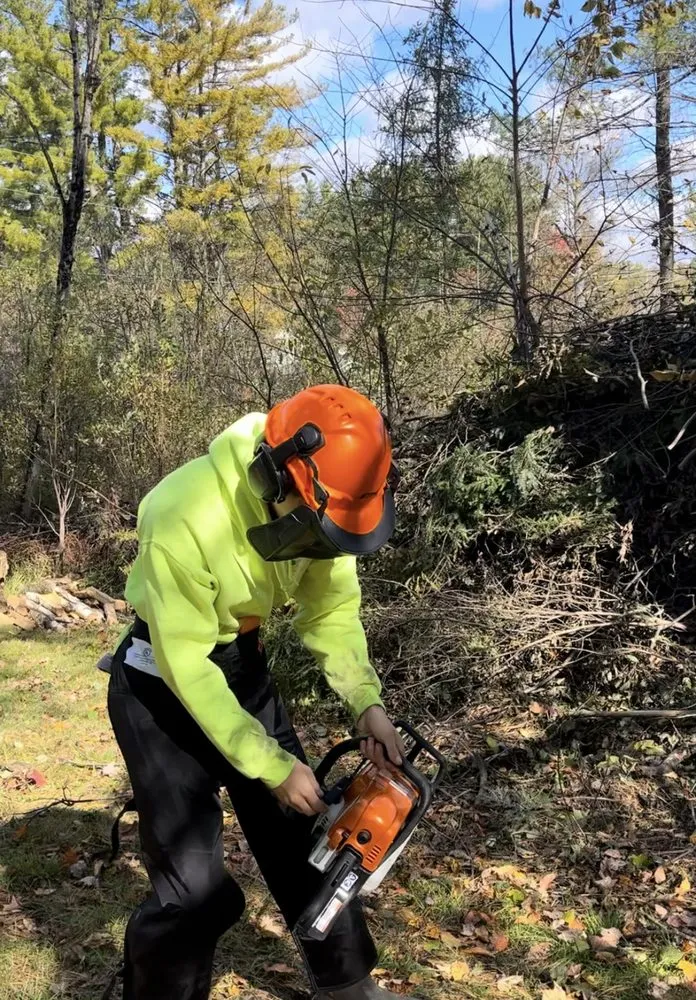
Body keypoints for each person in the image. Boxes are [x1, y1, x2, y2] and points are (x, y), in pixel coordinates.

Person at [106, 384, 408, 1000]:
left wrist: (365, 702)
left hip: (240, 664)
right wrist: (269, 763)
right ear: (277, 478)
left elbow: (331, 613)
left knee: (312, 834)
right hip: (162, 681)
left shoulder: (329, 502)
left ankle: (348, 981)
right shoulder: (181, 513)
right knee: (195, 891)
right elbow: (185, 661)